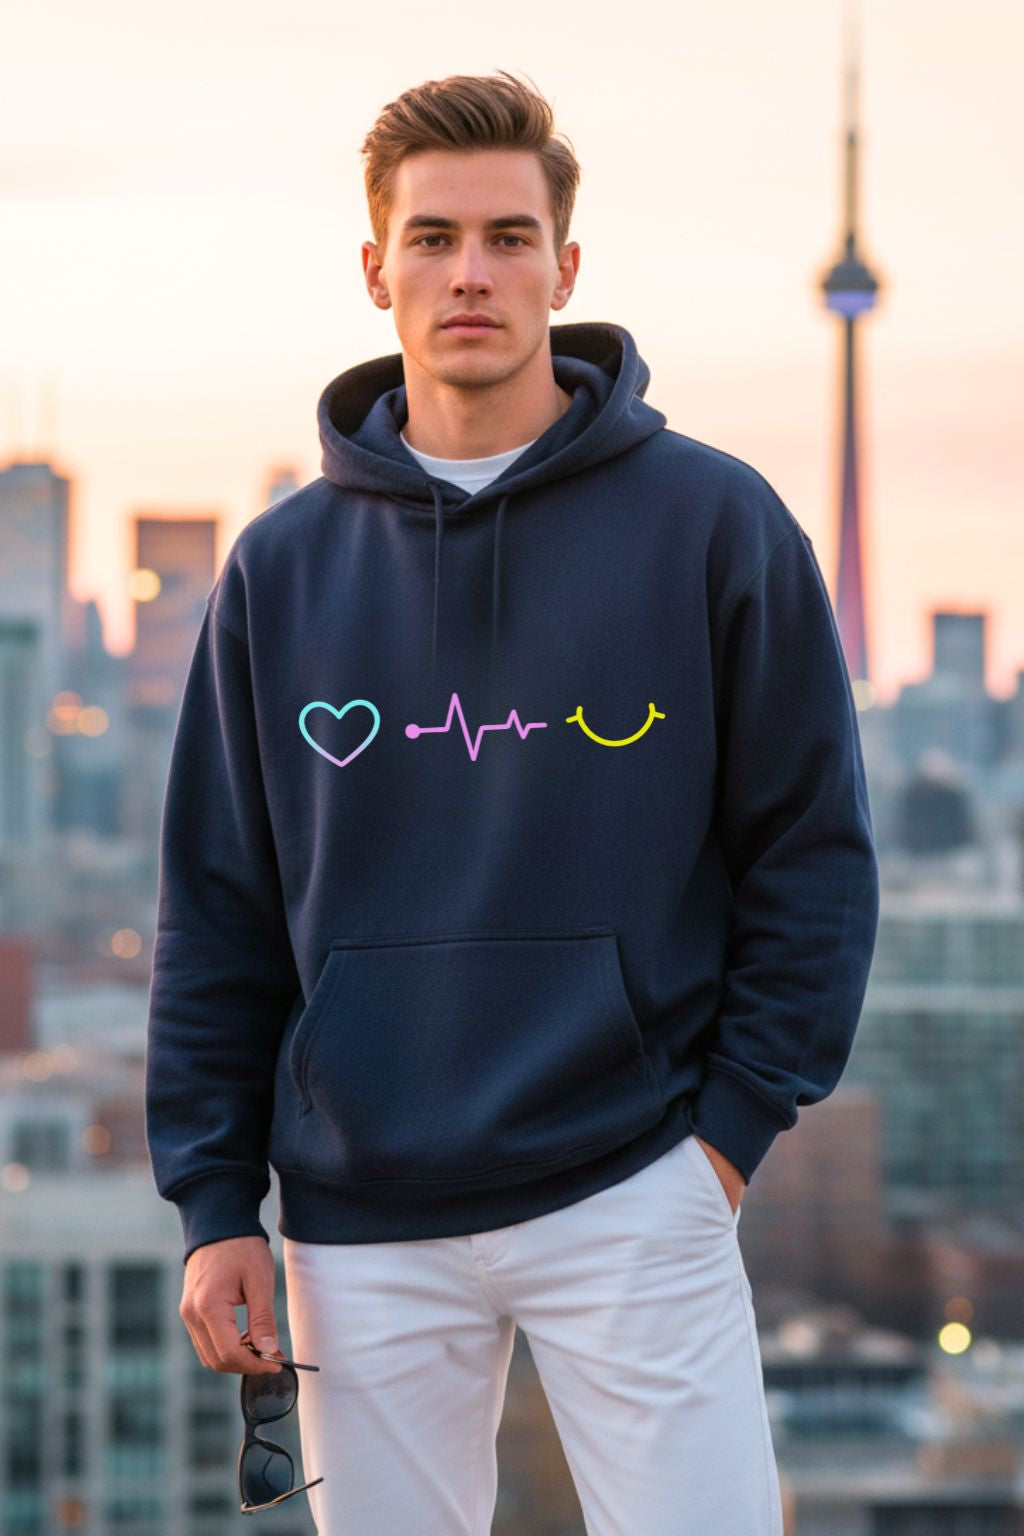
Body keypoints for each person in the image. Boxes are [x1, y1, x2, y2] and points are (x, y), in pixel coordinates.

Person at [145, 68, 880, 1536]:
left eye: (504, 236)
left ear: (566, 264)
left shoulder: (713, 527)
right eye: (431, 239)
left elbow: (814, 854)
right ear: (376, 270)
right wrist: (216, 1204)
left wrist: (724, 1138)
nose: (468, 272)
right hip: (360, 1219)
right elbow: (218, 905)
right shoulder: (280, 573)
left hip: (636, 1185)